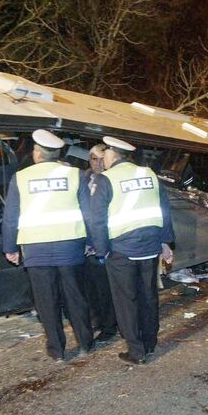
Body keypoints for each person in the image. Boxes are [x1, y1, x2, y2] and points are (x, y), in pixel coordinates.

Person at [2, 129, 94, 362]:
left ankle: (57, 351)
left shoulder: (20, 178)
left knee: (46, 301)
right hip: (70, 247)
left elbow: (11, 217)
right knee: (75, 296)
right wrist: (91, 242)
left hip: (35, 249)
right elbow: (89, 214)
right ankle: (85, 343)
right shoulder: (75, 175)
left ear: (37, 153)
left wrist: (10, 247)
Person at [88, 137, 175, 365]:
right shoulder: (149, 174)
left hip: (122, 249)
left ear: (113, 155)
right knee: (148, 296)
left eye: (105, 153)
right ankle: (150, 342)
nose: (103, 158)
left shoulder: (105, 179)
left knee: (126, 300)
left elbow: (97, 220)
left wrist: (102, 251)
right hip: (149, 248)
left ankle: (136, 351)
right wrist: (165, 242)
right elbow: (164, 210)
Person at [82, 144, 118, 341]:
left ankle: (109, 326)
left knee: (107, 290)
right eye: (93, 159)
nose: (97, 164)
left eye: (101, 159)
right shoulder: (82, 178)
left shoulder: (111, 180)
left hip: (106, 243)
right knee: (92, 289)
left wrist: (100, 244)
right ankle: (97, 321)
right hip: (86, 244)